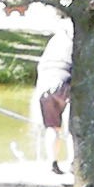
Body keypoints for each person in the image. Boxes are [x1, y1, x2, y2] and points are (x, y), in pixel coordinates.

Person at [33, 13, 73, 176]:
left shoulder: (53, 42)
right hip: (65, 82)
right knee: (74, 126)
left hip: (44, 85)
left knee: (52, 127)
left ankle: (52, 162)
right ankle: (73, 162)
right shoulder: (78, 42)